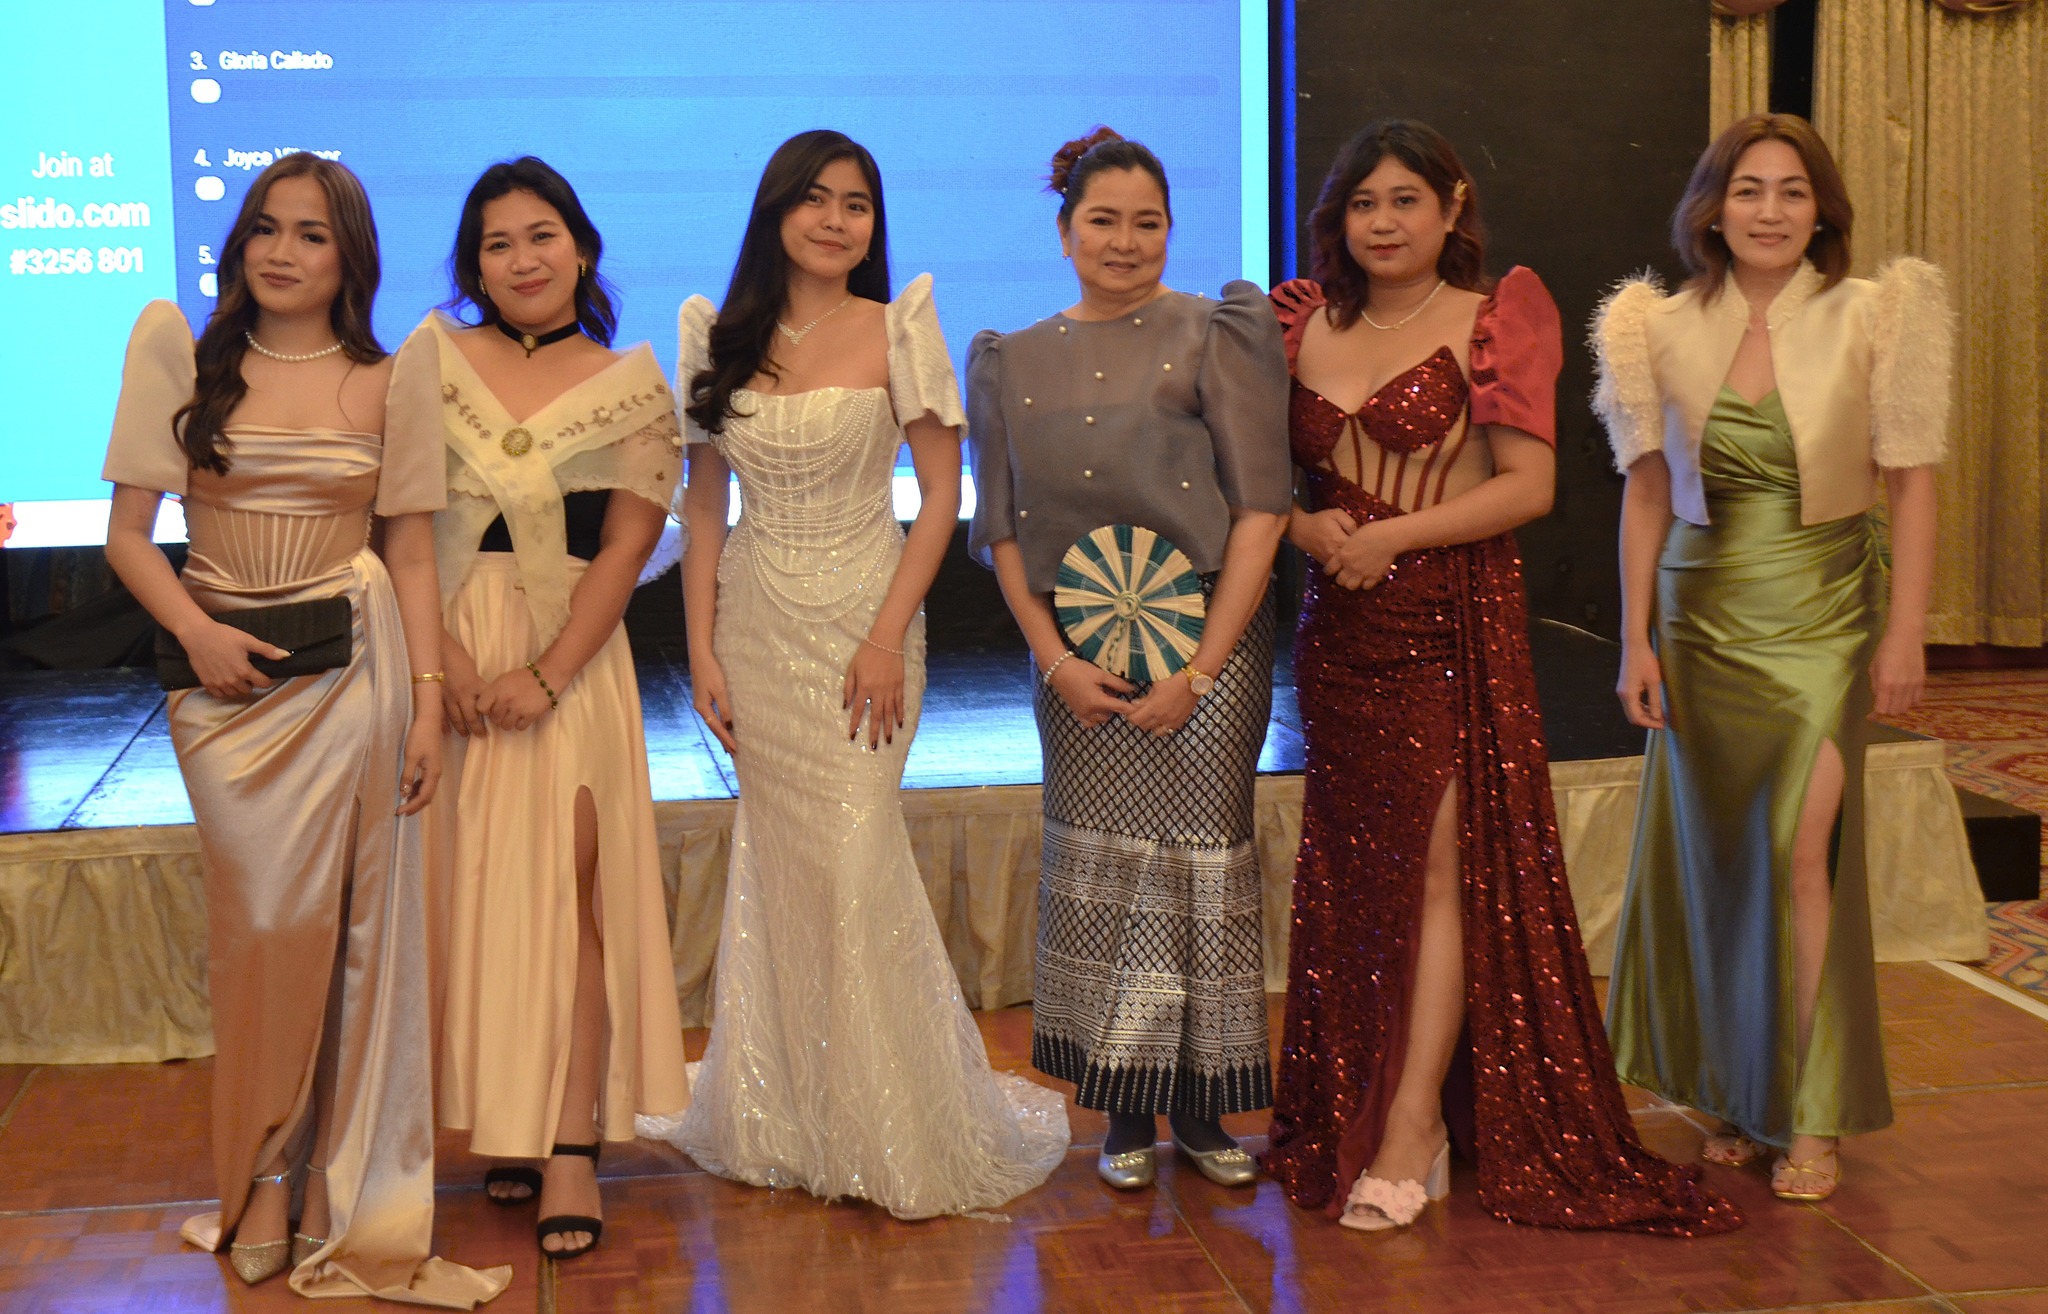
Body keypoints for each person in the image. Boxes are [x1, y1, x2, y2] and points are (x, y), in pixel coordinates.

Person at [1260, 120, 1740, 1236]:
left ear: (1451, 207)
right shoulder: (1298, 321)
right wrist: (1302, 525)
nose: (1383, 222)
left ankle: (1412, 1126)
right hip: (1338, 636)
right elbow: (1252, 479)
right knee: (1354, 874)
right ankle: (1361, 1098)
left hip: (1444, 626)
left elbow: (1528, 486)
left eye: (1405, 201)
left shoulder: (1494, 317)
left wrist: (1393, 537)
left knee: (1439, 872)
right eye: (1363, 203)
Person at [100, 153, 508, 1303]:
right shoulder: (181, 354)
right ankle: (261, 1171)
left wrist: (426, 701)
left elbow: (411, 551)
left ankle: (325, 1184)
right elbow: (128, 536)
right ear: (240, 243)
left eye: (312, 234)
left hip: (356, 674)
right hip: (221, 689)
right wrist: (199, 634)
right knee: (268, 929)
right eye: (266, 229)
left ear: (350, 258)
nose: (283, 252)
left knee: (354, 937)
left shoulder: (392, 375)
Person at [646, 129, 1069, 1219]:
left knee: (852, 855)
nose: (836, 221)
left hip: (865, 628)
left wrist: (885, 637)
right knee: (785, 866)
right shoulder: (715, 335)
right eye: (816, 199)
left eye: (856, 204)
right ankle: (788, 1111)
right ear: (775, 210)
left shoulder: (898, 327)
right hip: (754, 625)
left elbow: (940, 497)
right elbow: (704, 503)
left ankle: (892, 1121)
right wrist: (701, 648)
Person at [1595, 112, 1949, 1203]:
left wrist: (1905, 632)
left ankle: (1810, 1106)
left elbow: (1911, 486)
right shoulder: (1654, 326)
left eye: (1792, 191)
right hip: (1699, 622)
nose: (1768, 210)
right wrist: (1633, 639)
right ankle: (1737, 1093)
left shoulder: (1877, 314)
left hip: (1827, 620)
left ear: (1820, 210)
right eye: (1747, 189)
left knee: (1801, 852)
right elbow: (1645, 494)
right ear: (1711, 208)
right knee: (1723, 865)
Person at [967, 127, 1289, 1190]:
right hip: (1077, 658)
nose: (1124, 240)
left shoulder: (1218, 330)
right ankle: (1122, 1108)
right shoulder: (1008, 358)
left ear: (1170, 230)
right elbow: (1001, 530)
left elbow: (1261, 508)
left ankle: (1201, 1106)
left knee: (1199, 866)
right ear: (1063, 233)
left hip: (1207, 645)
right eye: (1101, 220)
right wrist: (1054, 661)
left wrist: (1200, 670)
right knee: (1101, 869)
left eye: (1146, 222)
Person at [399, 156, 690, 1259]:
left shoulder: (631, 384)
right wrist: (441, 669)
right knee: (466, 896)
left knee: (574, 898)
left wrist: (547, 672)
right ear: (473, 266)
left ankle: (569, 1142)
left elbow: (623, 548)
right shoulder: (430, 363)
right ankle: (502, 1122)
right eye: (497, 243)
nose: (522, 259)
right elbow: (398, 528)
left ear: (581, 246)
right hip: (439, 660)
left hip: (571, 658)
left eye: (541, 235)